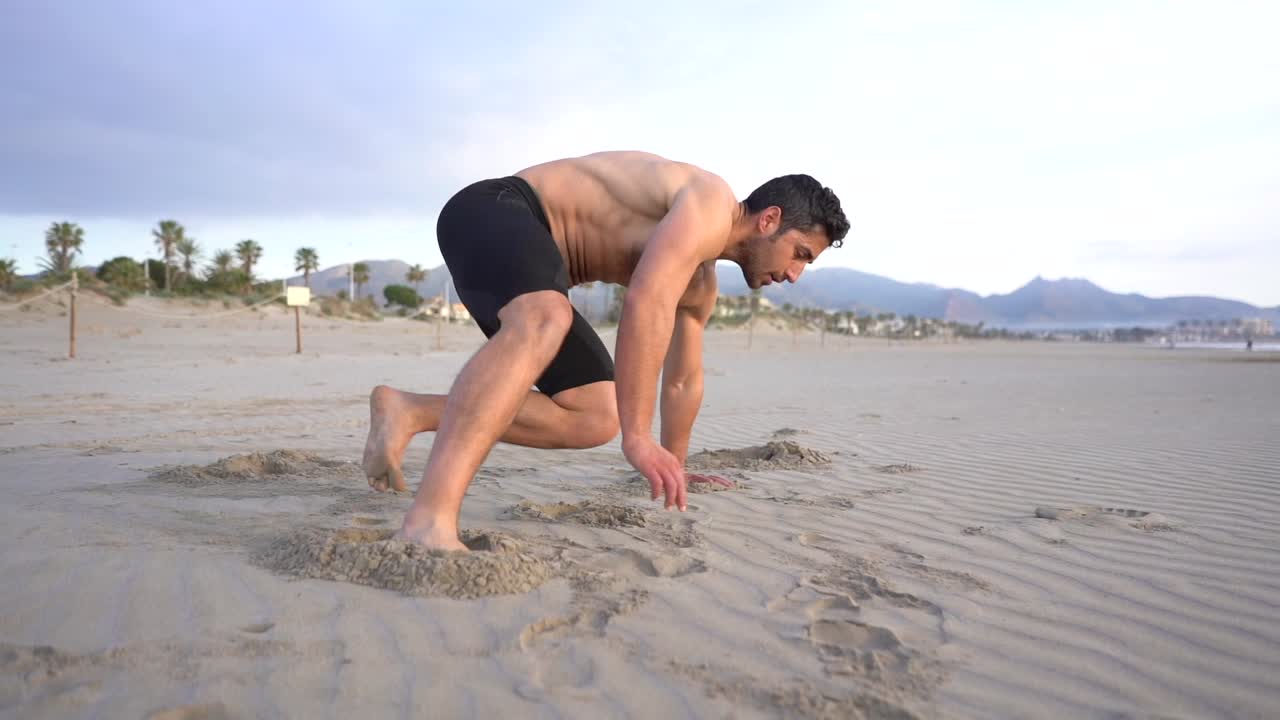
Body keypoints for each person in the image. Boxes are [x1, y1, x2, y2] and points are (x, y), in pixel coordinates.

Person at [362, 151, 850, 550]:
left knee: (596, 415)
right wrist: (638, 437)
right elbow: (646, 300)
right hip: (494, 211)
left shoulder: (700, 283)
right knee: (545, 318)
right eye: (800, 254)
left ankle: (410, 411)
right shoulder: (709, 201)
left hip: (530, 268)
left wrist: (671, 466)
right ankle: (429, 522)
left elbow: (682, 379)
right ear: (769, 219)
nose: (794, 275)